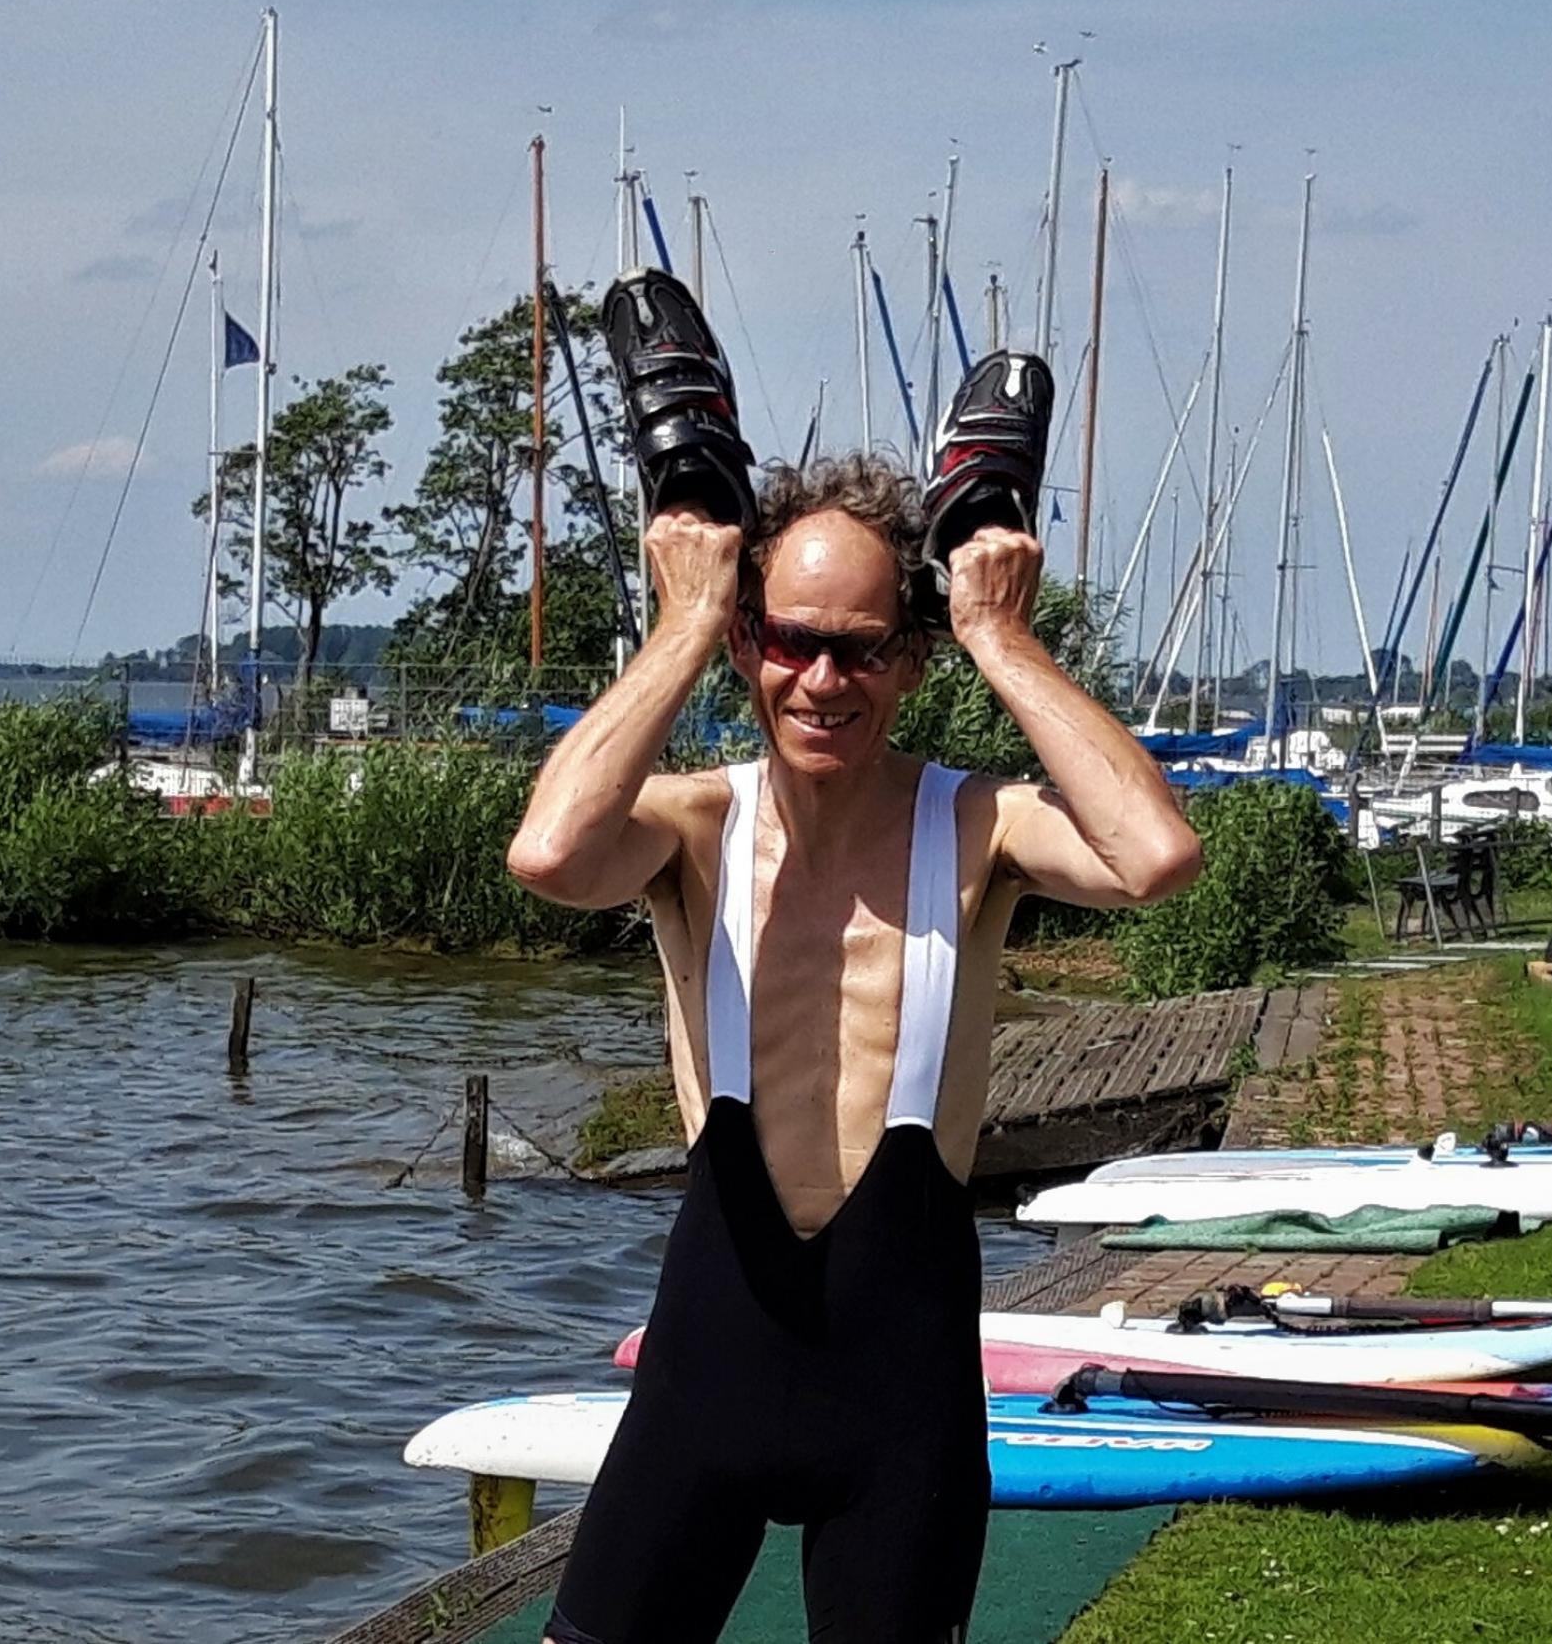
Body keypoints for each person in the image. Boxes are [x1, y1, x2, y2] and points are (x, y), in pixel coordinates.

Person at [509, 273, 1197, 1644]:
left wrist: (1000, 629)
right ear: (756, 645)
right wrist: (689, 615)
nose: (825, 681)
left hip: (901, 1392)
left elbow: (1153, 856)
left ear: (911, 656)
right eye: (794, 642)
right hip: (713, 1366)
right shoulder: (694, 829)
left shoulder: (980, 826)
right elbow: (548, 850)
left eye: (865, 649)